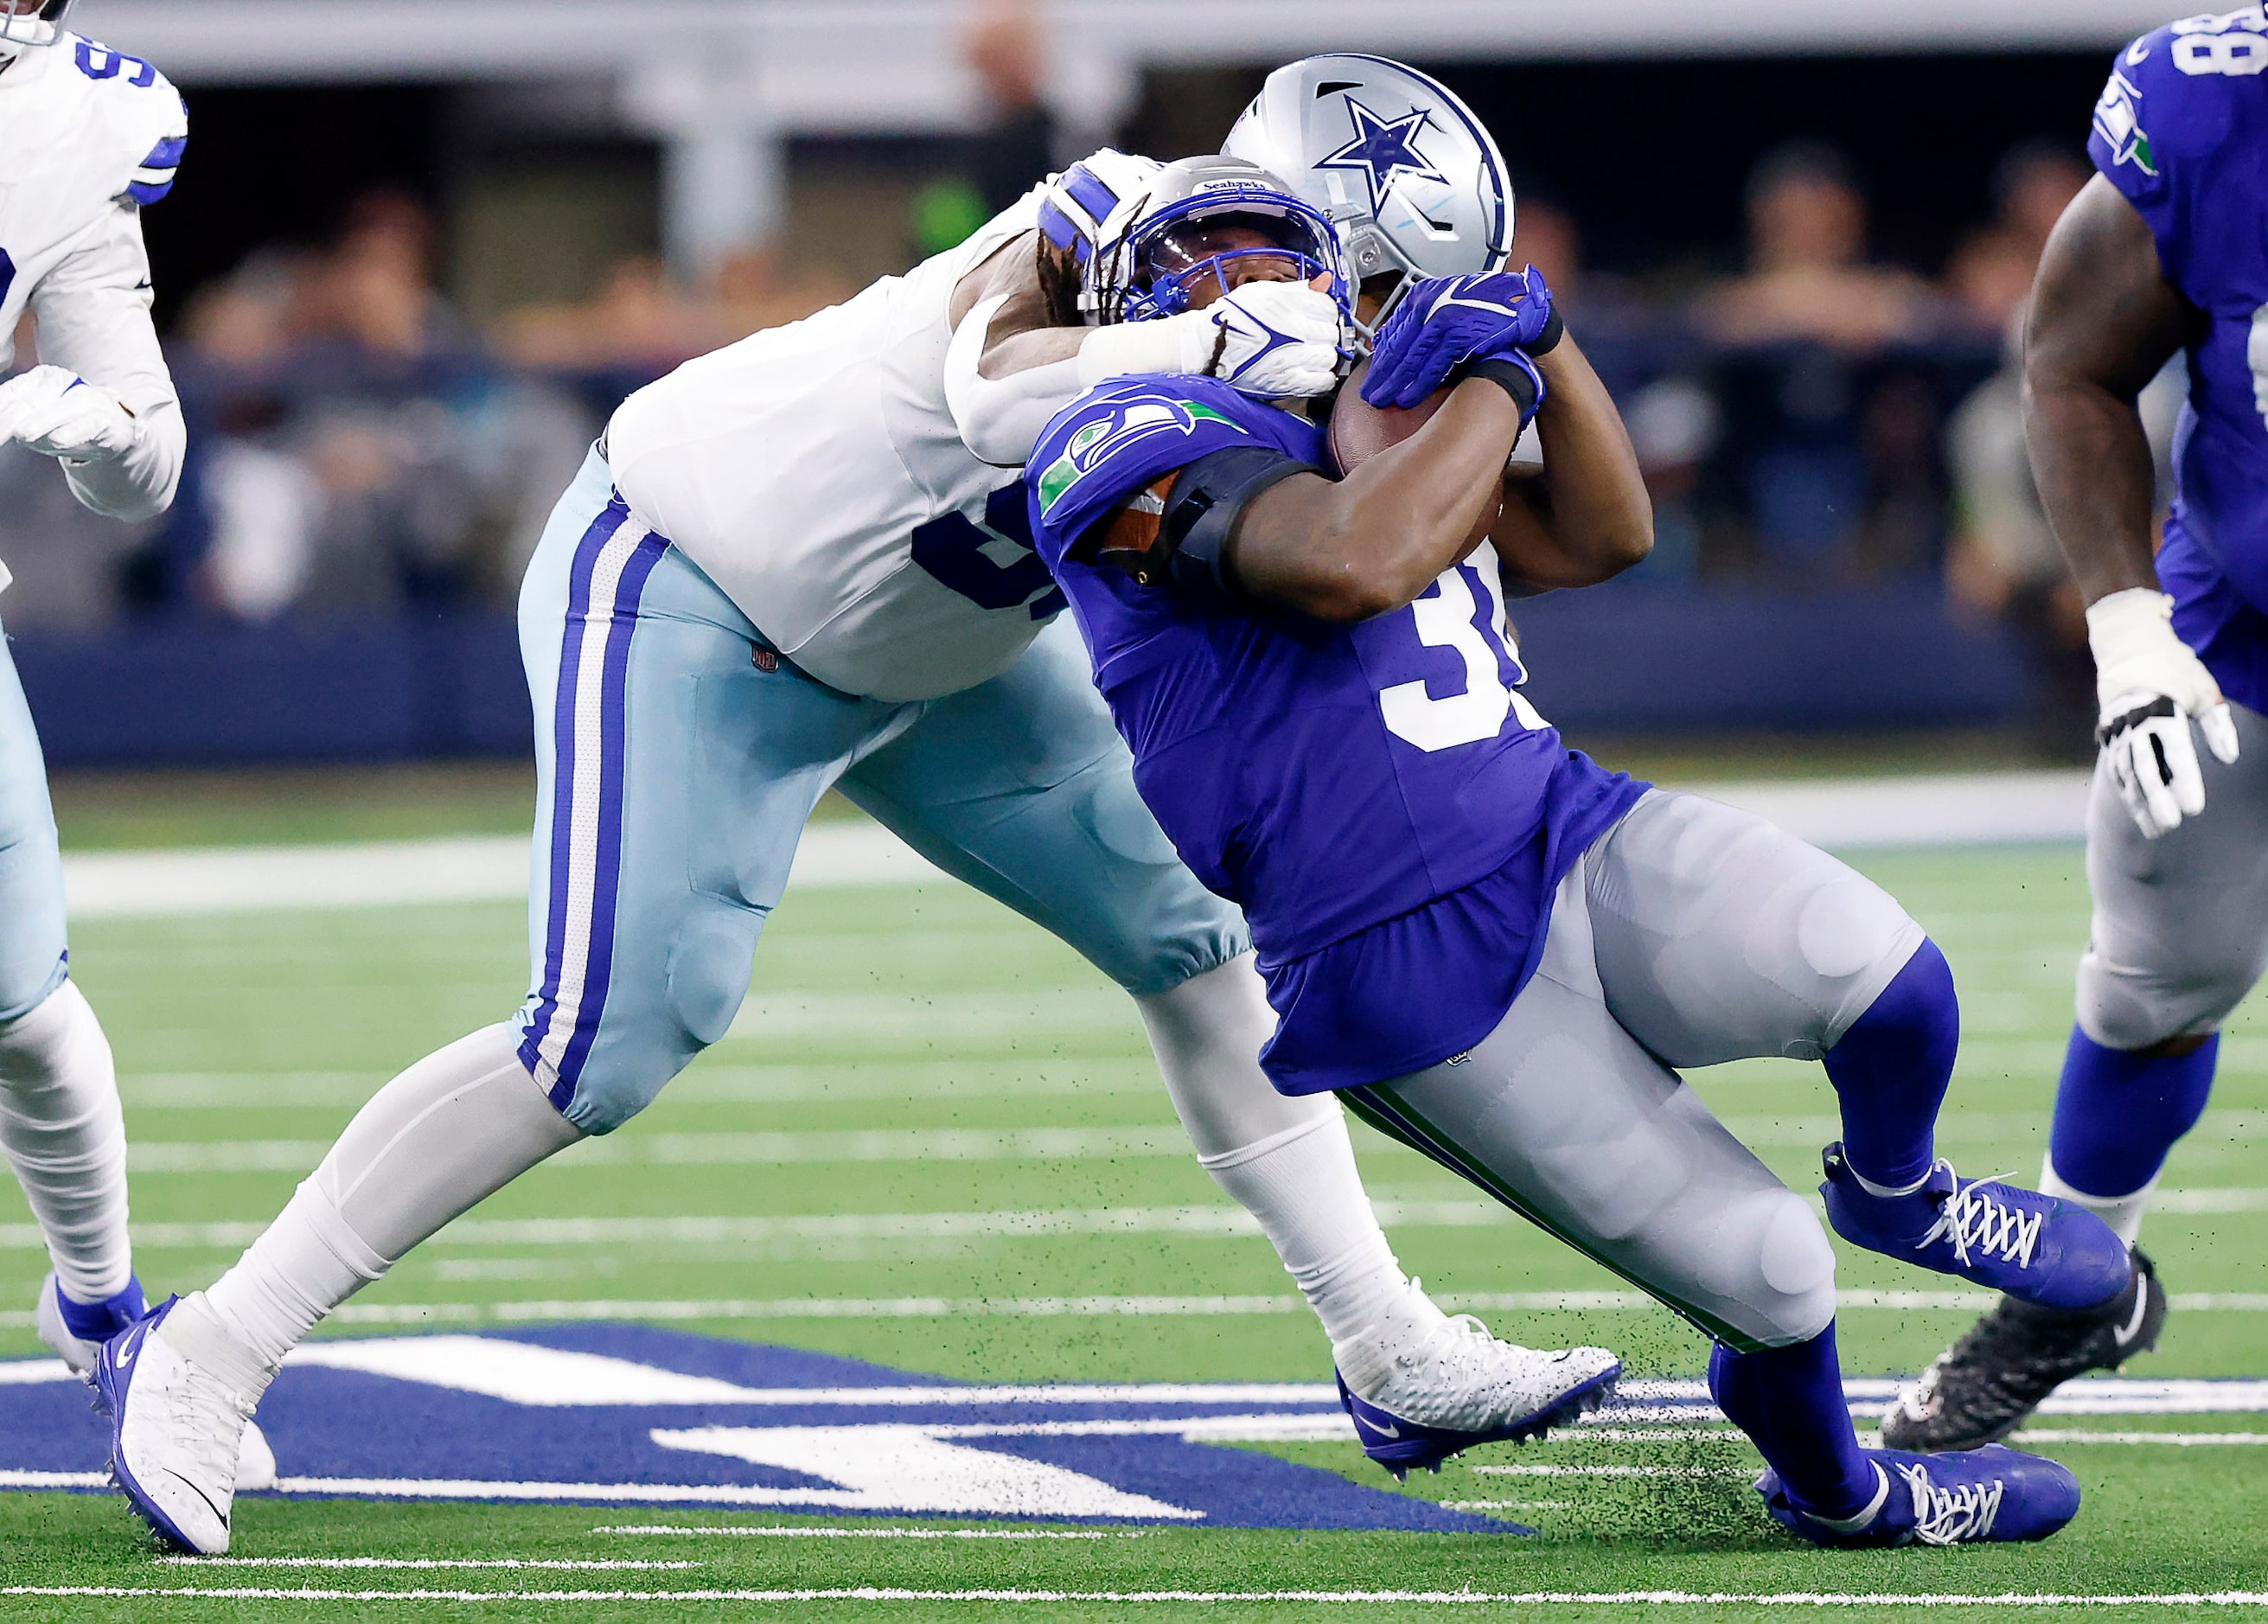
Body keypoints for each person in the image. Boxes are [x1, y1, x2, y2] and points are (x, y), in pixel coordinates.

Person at [95, 64, 1617, 1556]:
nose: (1368, 335)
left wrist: (1515, 362)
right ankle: (213, 1350)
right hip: (694, 577)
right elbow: (987, 379)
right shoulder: (1118, 226)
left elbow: (1545, 522)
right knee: (614, 1034)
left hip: (942, 651)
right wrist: (1199, 344)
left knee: (1194, 926)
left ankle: (1383, 1341)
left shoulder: (1310, 355)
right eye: (1375, 292)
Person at [1018, 158, 2137, 1545]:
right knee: (1779, 1279)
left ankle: (1901, 1186)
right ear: (1137, 303)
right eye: (1206, 256)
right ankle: (1844, 1493)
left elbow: (1613, 529)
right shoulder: (1119, 435)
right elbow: (1352, 561)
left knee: (1886, 968)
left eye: (1267, 249)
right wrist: (1494, 383)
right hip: (1406, 967)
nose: (1242, 277)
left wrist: (1542, 337)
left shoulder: (1387, 423)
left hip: (1565, 826)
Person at [1886, 10, 2268, 1452]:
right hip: (2246, 617)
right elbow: (2071, 362)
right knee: (2160, 957)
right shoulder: (2223, 109)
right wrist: (2123, 620)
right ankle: (2076, 1285)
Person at [0, 0, 275, 1483]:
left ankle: (103, 1317)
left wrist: (83, 420)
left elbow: (148, 458)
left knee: (24, 1013)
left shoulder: (69, 120)